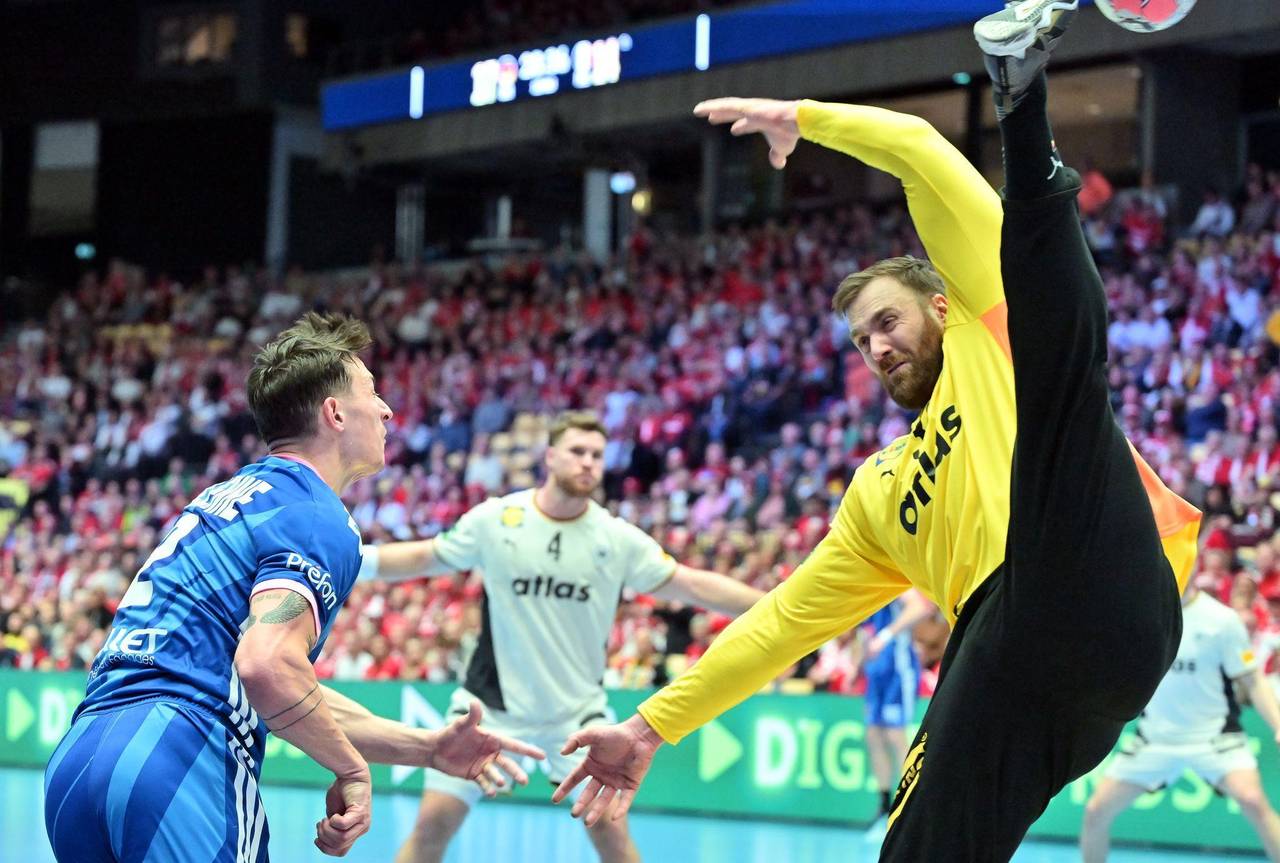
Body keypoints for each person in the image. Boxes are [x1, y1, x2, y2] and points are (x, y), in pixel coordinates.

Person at [550, 4, 1204, 861]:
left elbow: (919, 149)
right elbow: (781, 623)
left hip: (1108, 570)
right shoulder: (875, 495)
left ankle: (1020, 95)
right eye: (862, 340)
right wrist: (649, 726)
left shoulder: (977, 332)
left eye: (888, 321)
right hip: (1025, 658)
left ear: (939, 305)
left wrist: (805, 118)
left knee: (1056, 329)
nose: (878, 346)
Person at [43, 313, 544, 863]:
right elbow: (268, 666)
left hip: (80, 760)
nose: (386, 410)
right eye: (372, 393)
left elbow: (276, 688)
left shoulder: (227, 497)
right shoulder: (314, 513)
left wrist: (426, 748)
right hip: (180, 756)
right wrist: (351, 770)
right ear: (334, 413)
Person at [357, 410, 764, 863]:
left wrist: (783, 608)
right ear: (550, 456)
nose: (588, 462)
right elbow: (424, 557)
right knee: (432, 827)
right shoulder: (497, 519)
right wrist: (353, 560)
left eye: (597, 455)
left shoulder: (617, 538)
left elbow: (691, 584)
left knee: (613, 838)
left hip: (577, 716)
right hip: (489, 708)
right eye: (577, 451)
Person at [1080, 577, 1280, 862]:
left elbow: (1252, 679)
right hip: (1154, 740)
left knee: (1254, 801)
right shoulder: (1142, 614)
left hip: (1216, 739)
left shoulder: (1222, 620)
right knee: (1095, 811)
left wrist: (1277, 724)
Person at [859, 589, 934, 841]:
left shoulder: (895, 580)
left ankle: (910, 810)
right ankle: (883, 809)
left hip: (898, 670)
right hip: (875, 671)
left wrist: (886, 635)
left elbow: (920, 607)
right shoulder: (864, 585)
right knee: (873, 735)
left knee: (895, 735)